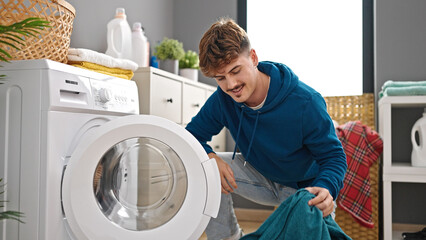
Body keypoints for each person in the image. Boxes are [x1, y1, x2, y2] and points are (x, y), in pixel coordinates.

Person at [185, 17, 347, 240]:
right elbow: (190, 136)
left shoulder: (305, 101)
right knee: (205, 167)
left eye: (235, 70)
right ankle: (226, 237)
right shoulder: (223, 99)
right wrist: (210, 156)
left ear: (253, 58)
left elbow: (334, 156)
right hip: (259, 175)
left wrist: (326, 187)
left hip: (302, 188)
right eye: (220, 78)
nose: (231, 84)